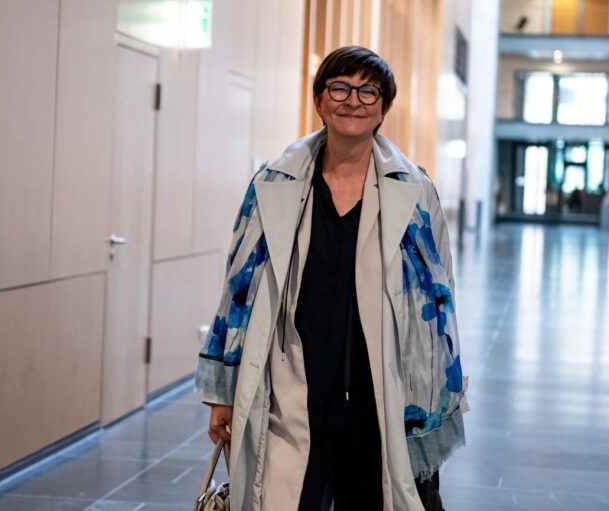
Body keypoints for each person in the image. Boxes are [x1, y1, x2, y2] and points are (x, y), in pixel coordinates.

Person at [195, 45, 467, 511]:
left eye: (368, 91)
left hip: (378, 387)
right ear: (319, 100)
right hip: (291, 385)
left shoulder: (415, 190)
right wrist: (223, 391)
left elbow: (440, 301)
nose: (353, 100)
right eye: (339, 87)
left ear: (383, 108)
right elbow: (238, 291)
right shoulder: (274, 183)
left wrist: (435, 402)